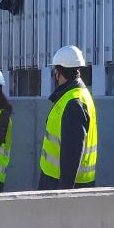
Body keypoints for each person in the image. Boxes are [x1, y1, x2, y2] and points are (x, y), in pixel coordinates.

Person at [39, 45, 98, 190]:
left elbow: (72, 154)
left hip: (61, 185)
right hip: (67, 183)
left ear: (58, 72)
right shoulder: (78, 95)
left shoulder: (73, 102)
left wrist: (65, 194)